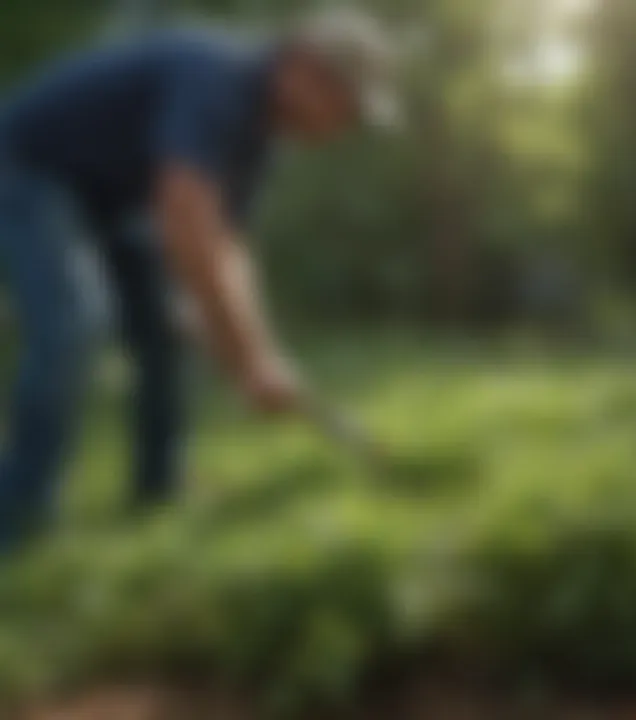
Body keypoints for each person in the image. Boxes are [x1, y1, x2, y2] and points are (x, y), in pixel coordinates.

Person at [0, 8, 400, 551]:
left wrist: (260, 355)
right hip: (25, 167)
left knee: (167, 330)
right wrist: (245, 355)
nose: (342, 128)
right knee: (74, 319)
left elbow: (229, 251)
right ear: (304, 69)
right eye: (345, 108)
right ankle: (19, 516)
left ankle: (158, 496)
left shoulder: (258, 137)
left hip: (102, 200)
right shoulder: (215, 78)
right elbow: (184, 214)